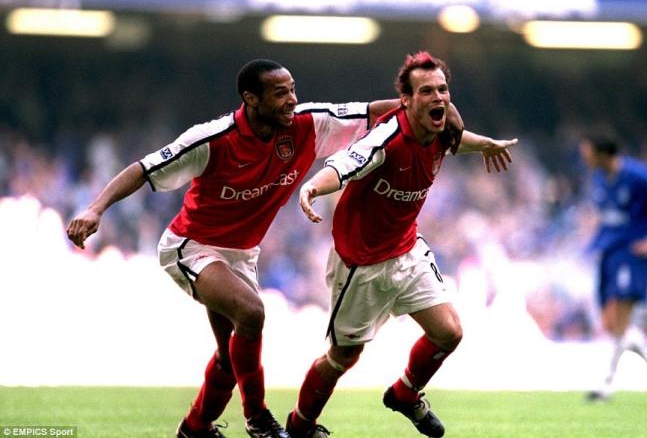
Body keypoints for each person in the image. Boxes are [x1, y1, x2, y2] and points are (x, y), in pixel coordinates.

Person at [65, 58, 465, 438]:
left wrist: (442, 108)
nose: (292, 100)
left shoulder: (309, 123)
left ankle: (195, 427)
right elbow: (144, 168)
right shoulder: (213, 139)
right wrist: (95, 208)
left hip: (242, 255)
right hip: (193, 246)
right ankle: (258, 418)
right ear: (251, 99)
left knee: (229, 358)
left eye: (292, 90)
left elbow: (381, 110)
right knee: (251, 313)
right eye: (280, 93)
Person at [285, 51, 518, 438]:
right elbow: (346, 164)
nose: (438, 97)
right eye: (426, 91)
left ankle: (405, 394)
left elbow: (455, 142)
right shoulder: (387, 137)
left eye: (442, 89)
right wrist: (312, 187)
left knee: (449, 332)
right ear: (406, 100)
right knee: (343, 357)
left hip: (406, 250)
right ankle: (299, 425)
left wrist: (486, 144)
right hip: (360, 263)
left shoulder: (442, 129)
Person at [579, 135, 647, 402]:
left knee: (619, 319)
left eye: (587, 152)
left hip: (632, 255)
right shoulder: (599, 178)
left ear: (602, 153)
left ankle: (606, 385)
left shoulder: (639, 177)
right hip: (608, 254)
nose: (584, 158)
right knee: (612, 324)